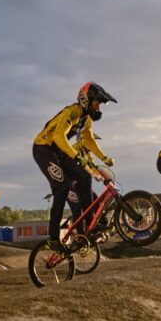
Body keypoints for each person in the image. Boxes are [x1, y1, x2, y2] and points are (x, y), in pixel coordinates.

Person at [33, 82, 117, 252]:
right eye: (97, 103)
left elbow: (89, 140)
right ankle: (54, 238)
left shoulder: (86, 119)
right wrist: (76, 155)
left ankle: (90, 224)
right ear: (86, 100)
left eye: (100, 105)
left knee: (84, 177)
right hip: (44, 149)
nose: (98, 107)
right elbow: (58, 137)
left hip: (58, 151)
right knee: (62, 187)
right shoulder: (72, 112)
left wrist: (104, 157)